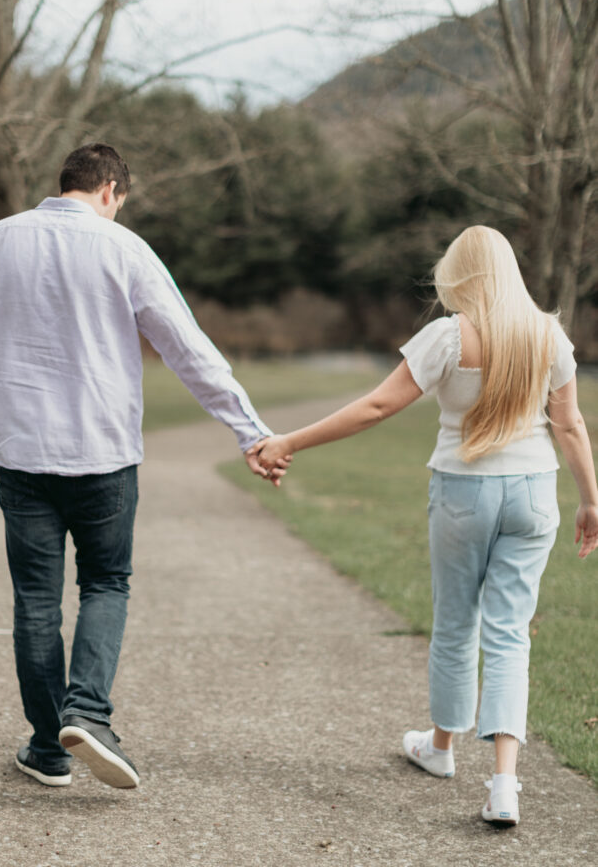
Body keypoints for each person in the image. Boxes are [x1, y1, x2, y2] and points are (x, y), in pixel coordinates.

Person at [0, 142, 289, 791]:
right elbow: (186, 348)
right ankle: (90, 713)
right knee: (105, 583)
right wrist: (251, 432)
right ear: (110, 190)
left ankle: (49, 750)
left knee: (35, 602)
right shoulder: (122, 247)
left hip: (19, 452)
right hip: (102, 453)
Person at [255, 225, 598, 826]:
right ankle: (504, 785)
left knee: (457, 623)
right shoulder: (549, 336)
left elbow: (377, 407)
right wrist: (591, 500)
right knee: (510, 633)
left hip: (464, 493)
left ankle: (440, 750)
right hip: (535, 495)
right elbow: (569, 426)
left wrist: (290, 440)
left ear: (462, 274)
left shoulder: (447, 336)